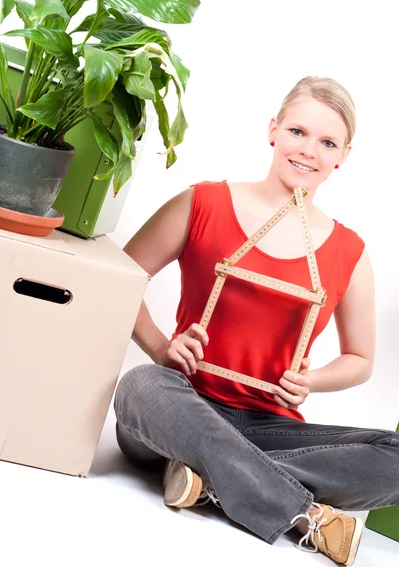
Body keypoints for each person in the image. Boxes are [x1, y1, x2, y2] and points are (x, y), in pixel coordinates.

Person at [114, 76, 399, 566]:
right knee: (139, 385)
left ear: (343, 155)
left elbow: (360, 359)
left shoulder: (350, 251)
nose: (308, 151)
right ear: (273, 130)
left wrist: (313, 380)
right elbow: (117, 281)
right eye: (297, 132)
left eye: (327, 142)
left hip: (268, 426)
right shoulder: (202, 201)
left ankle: (210, 481)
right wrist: (163, 349)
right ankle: (303, 512)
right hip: (181, 409)